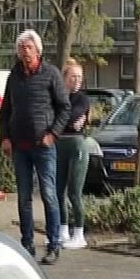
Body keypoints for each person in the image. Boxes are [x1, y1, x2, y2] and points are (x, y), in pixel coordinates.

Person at [0, 30, 69, 264]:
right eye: (21, 49)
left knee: (49, 195)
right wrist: (5, 137)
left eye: (29, 48)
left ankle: (53, 244)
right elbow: (5, 110)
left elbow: (64, 108)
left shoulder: (51, 74)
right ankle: (27, 244)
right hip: (20, 146)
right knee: (23, 198)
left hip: (43, 146)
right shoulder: (14, 77)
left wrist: (53, 134)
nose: (25, 52)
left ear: (38, 51)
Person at [56, 59, 91, 250]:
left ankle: (79, 233)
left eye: (79, 77)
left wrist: (65, 120)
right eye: (73, 77)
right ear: (64, 78)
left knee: (74, 192)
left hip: (76, 145)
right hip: (59, 145)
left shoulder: (83, 99)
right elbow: (57, 118)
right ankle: (62, 230)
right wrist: (67, 121)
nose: (77, 81)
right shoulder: (58, 97)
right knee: (57, 190)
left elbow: (67, 117)